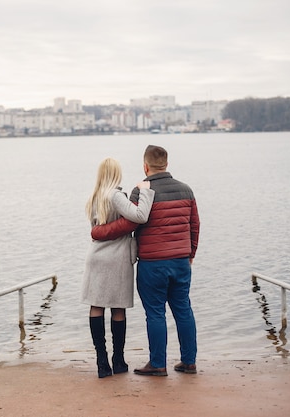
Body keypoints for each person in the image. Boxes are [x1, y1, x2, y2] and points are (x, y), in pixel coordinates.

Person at [91, 145, 200, 377]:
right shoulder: (186, 190)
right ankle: (189, 361)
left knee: (155, 313)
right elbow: (195, 225)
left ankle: (158, 364)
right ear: (167, 164)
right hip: (181, 260)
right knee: (183, 309)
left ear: (145, 166)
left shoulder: (139, 191)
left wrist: (99, 232)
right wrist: (190, 254)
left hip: (153, 263)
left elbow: (133, 223)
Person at [81, 157, 155, 378]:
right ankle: (118, 360)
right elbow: (140, 216)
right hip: (117, 259)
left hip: (96, 257)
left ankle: (102, 362)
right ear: (116, 174)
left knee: (96, 306)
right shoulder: (116, 195)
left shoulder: (94, 197)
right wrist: (146, 192)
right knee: (118, 308)